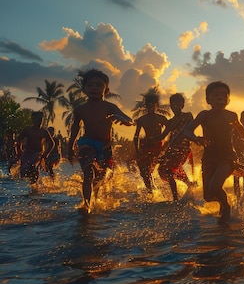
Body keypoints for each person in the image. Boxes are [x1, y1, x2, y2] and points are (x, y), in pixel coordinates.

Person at [183, 81, 244, 224]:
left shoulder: (232, 116)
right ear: (208, 99)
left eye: (224, 95)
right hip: (209, 158)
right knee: (208, 196)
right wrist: (196, 139)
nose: (220, 98)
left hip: (227, 157)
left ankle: (227, 209)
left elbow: (241, 132)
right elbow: (186, 131)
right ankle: (223, 201)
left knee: (215, 187)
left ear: (228, 100)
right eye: (216, 95)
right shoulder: (204, 115)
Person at [67, 69, 133, 214]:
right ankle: (86, 204)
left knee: (100, 178)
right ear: (84, 89)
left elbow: (130, 120)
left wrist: (122, 119)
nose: (94, 88)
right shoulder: (80, 110)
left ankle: (94, 199)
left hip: (105, 147)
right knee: (88, 173)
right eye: (90, 85)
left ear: (106, 89)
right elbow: (75, 128)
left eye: (99, 85)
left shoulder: (110, 107)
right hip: (86, 144)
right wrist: (70, 145)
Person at [157, 93, 195, 201]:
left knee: (169, 170)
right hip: (171, 148)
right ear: (170, 106)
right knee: (163, 170)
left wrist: (196, 139)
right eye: (173, 104)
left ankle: (175, 199)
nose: (175, 105)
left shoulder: (187, 116)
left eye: (178, 103)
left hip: (183, 149)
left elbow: (191, 128)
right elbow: (164, 136)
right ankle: (189, 184)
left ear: (183, 105)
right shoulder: (170, 122)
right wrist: (150, 141)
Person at [134, 91, 168, 194]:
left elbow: (170, 130)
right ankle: (151, 190)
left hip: (159, 145)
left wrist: (167, 145)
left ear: (157, 105)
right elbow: (136, 136)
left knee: (163, 168)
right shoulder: (141, 119)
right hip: (146, 146)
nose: (151, 107)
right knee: (144, 171)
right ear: (146, 106)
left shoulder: (161, 118)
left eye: (153, 105)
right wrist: (137, 150)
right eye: (149, 105)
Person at [17, 111, 54, 186]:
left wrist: (45, 154)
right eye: (37, 119)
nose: (39, 121)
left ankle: (35, 185)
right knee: (23, 171)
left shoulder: (44, 131)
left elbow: (52, 143)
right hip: (27, 152)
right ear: (33, 119)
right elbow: (18, 139)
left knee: (33, 167)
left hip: (38, 153)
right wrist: (19, 150)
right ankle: (33, 184)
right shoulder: (28, 130)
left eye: (41, 119)